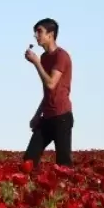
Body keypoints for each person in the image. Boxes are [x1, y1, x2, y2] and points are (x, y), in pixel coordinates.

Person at [23, 17, 74, 168]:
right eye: (35, 32)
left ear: (50, 35)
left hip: (62, 117)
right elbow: (48, 93)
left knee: (63, 163)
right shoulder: (45, 57)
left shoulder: (61, 56)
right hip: (47, 117)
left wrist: (36, 63)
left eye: (39, 32)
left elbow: (51, 84)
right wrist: (37, 115)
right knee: (29, 160)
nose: (36, 36)